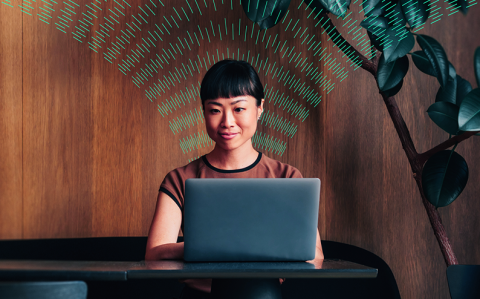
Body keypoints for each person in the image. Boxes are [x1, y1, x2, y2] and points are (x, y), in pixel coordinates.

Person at [145, 59, 324, 299]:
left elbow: (314, 254)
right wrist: (236, 249)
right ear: (204, 112)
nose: (227, 122)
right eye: (215, 110)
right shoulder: (180, 179)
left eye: (239, 109)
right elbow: (155, 254)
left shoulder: (287, 177)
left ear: (260, 108)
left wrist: (217, 250)